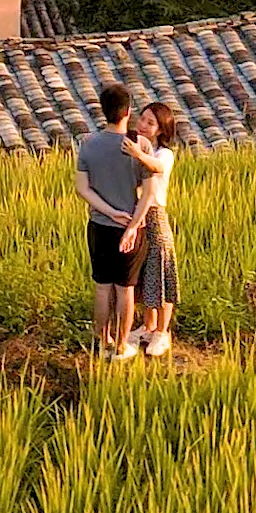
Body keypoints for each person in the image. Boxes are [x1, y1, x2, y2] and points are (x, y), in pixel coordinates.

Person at [75, 81, 145, 360]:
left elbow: (82, 189)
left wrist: (107, 211)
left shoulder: (88, 145)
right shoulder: (139, 145)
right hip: (131, 227)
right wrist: (125, 219)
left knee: (102, 288)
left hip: (99, 226)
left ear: (103, 111)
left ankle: (102, 341)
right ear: (128, 112)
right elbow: (149, 190)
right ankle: (121, 346)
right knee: (125, 290)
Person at [120, 102, 178, 358]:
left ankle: (162, 332)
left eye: (150, 123)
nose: (142, 125)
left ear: (161, 130)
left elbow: (157, 168)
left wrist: (138, 154)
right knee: (143, 274)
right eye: (142, 119)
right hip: (136, 215)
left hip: (155, 216)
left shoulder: (163, 153)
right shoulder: (137, 148)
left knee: (162, 273)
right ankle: (148, 325)